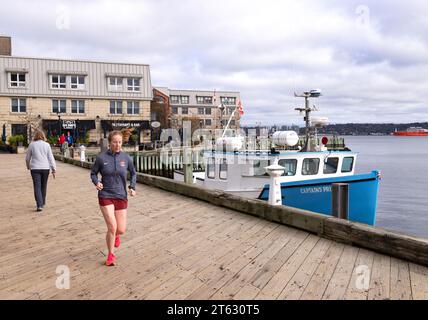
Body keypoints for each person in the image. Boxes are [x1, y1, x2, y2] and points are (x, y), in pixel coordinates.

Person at [90, 130, 137, 266]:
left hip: (121, 195)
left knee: (120, 229)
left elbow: (133, 173)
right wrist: (96, 182)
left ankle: (117, 235)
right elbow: (93, 173)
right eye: (115, 142)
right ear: (109, 143)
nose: (117, 145)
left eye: (120, 142)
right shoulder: (101, 158)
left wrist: (132, 187)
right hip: (105, 195)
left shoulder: (127, 158)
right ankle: (111, 255)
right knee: (112, 226)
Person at [25, 130, 57, 212]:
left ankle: (39, 204)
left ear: (35, 136)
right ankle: (42, 202)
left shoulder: (32, 145)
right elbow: (50, 158)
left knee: (37, 186)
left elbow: (27, 158)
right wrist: (54, 169)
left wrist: (28, 166)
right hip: (45, 168)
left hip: (35, 168)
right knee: (43, 185)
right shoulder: (47, 145)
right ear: (43, 136)